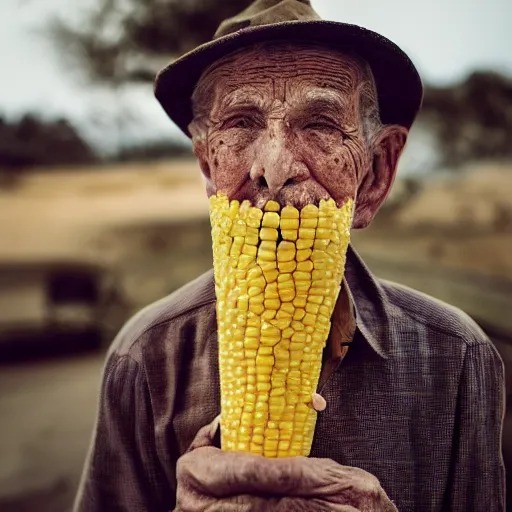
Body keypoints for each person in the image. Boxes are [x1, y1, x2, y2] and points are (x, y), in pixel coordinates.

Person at [74, 1, 505, 511]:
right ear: (208, 167)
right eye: (240, 122)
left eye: (320, 123)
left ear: (376, 174)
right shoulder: (143, 358)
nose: (274, 169)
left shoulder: (459, 359)